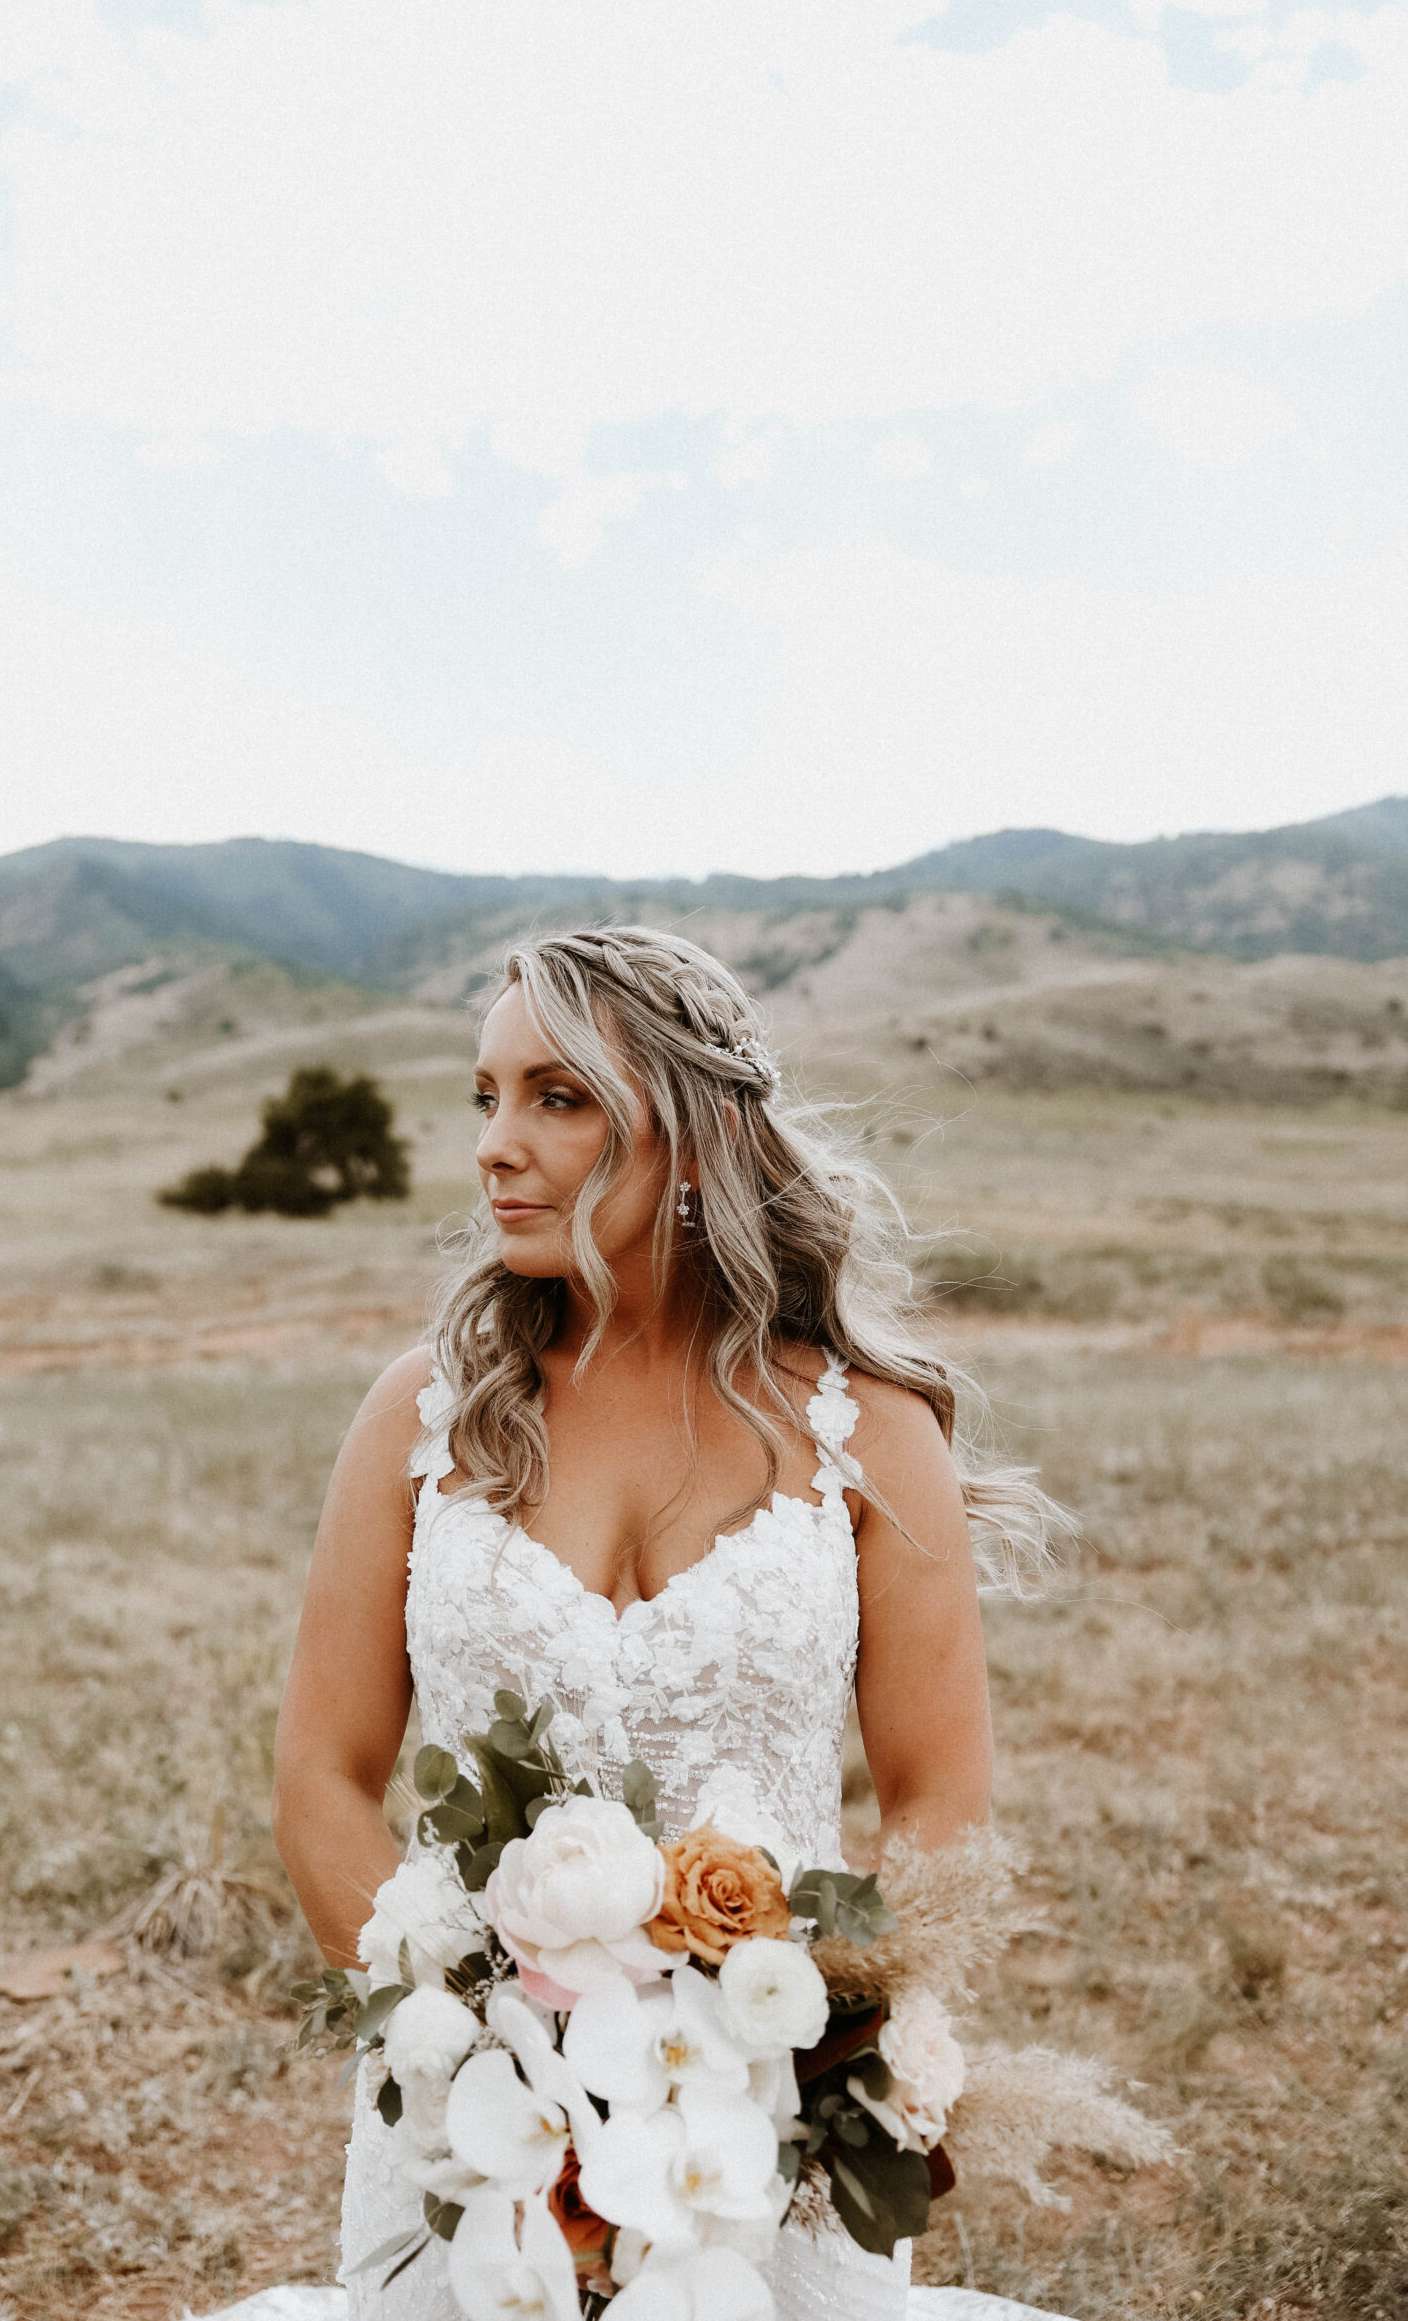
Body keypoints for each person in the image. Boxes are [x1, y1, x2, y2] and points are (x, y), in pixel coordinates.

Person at [248, 927, 1074, 2321]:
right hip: (474, 2131)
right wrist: (471, 2048)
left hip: (765, 2122)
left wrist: (832, 2044)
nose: (496, 1146)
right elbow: (320, 1782)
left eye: (557, 1099)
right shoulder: (418, 1414)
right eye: (486, 1097)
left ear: (690, 1140)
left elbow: (938, 1799)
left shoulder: (868, 1430)